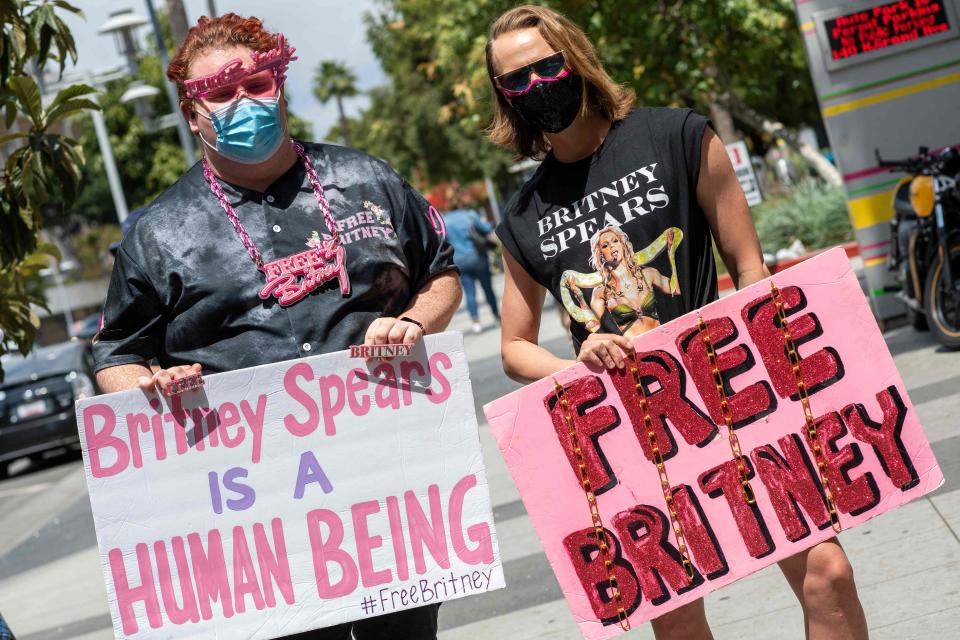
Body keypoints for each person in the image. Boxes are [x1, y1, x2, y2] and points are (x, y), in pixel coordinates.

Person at [484, 5, 867, 640]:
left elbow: (749, 268)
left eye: (546, 68)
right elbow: (514, 347)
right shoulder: (524, 212)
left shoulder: (677, 135)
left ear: (575, 59)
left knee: (827, 571)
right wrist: (572, 363)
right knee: (679, 620)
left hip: (734, 395)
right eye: (514, 80)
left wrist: (776, 373)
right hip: (630, 428)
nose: (536, 87)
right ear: (503, 96)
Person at [93, 13, 460, 640]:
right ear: (193, 114)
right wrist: (150, 386)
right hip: (256, 513)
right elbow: (114, 355)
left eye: (256, 84)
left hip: (388, 486)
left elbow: (442, 274)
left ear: (279, 86)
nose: (243, 102)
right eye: (220, 92)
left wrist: (413, 324)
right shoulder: (158, 233)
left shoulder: (365, 178)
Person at [443, 200, 500, 333]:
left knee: (469, 292)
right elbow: (486, 229)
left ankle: (476, 322)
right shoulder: (470, 215)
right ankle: (496, 315)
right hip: (478, 257)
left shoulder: (445, 222)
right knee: (488, 288)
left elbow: (443, 242)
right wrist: (489, 222)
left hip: (460, 261)